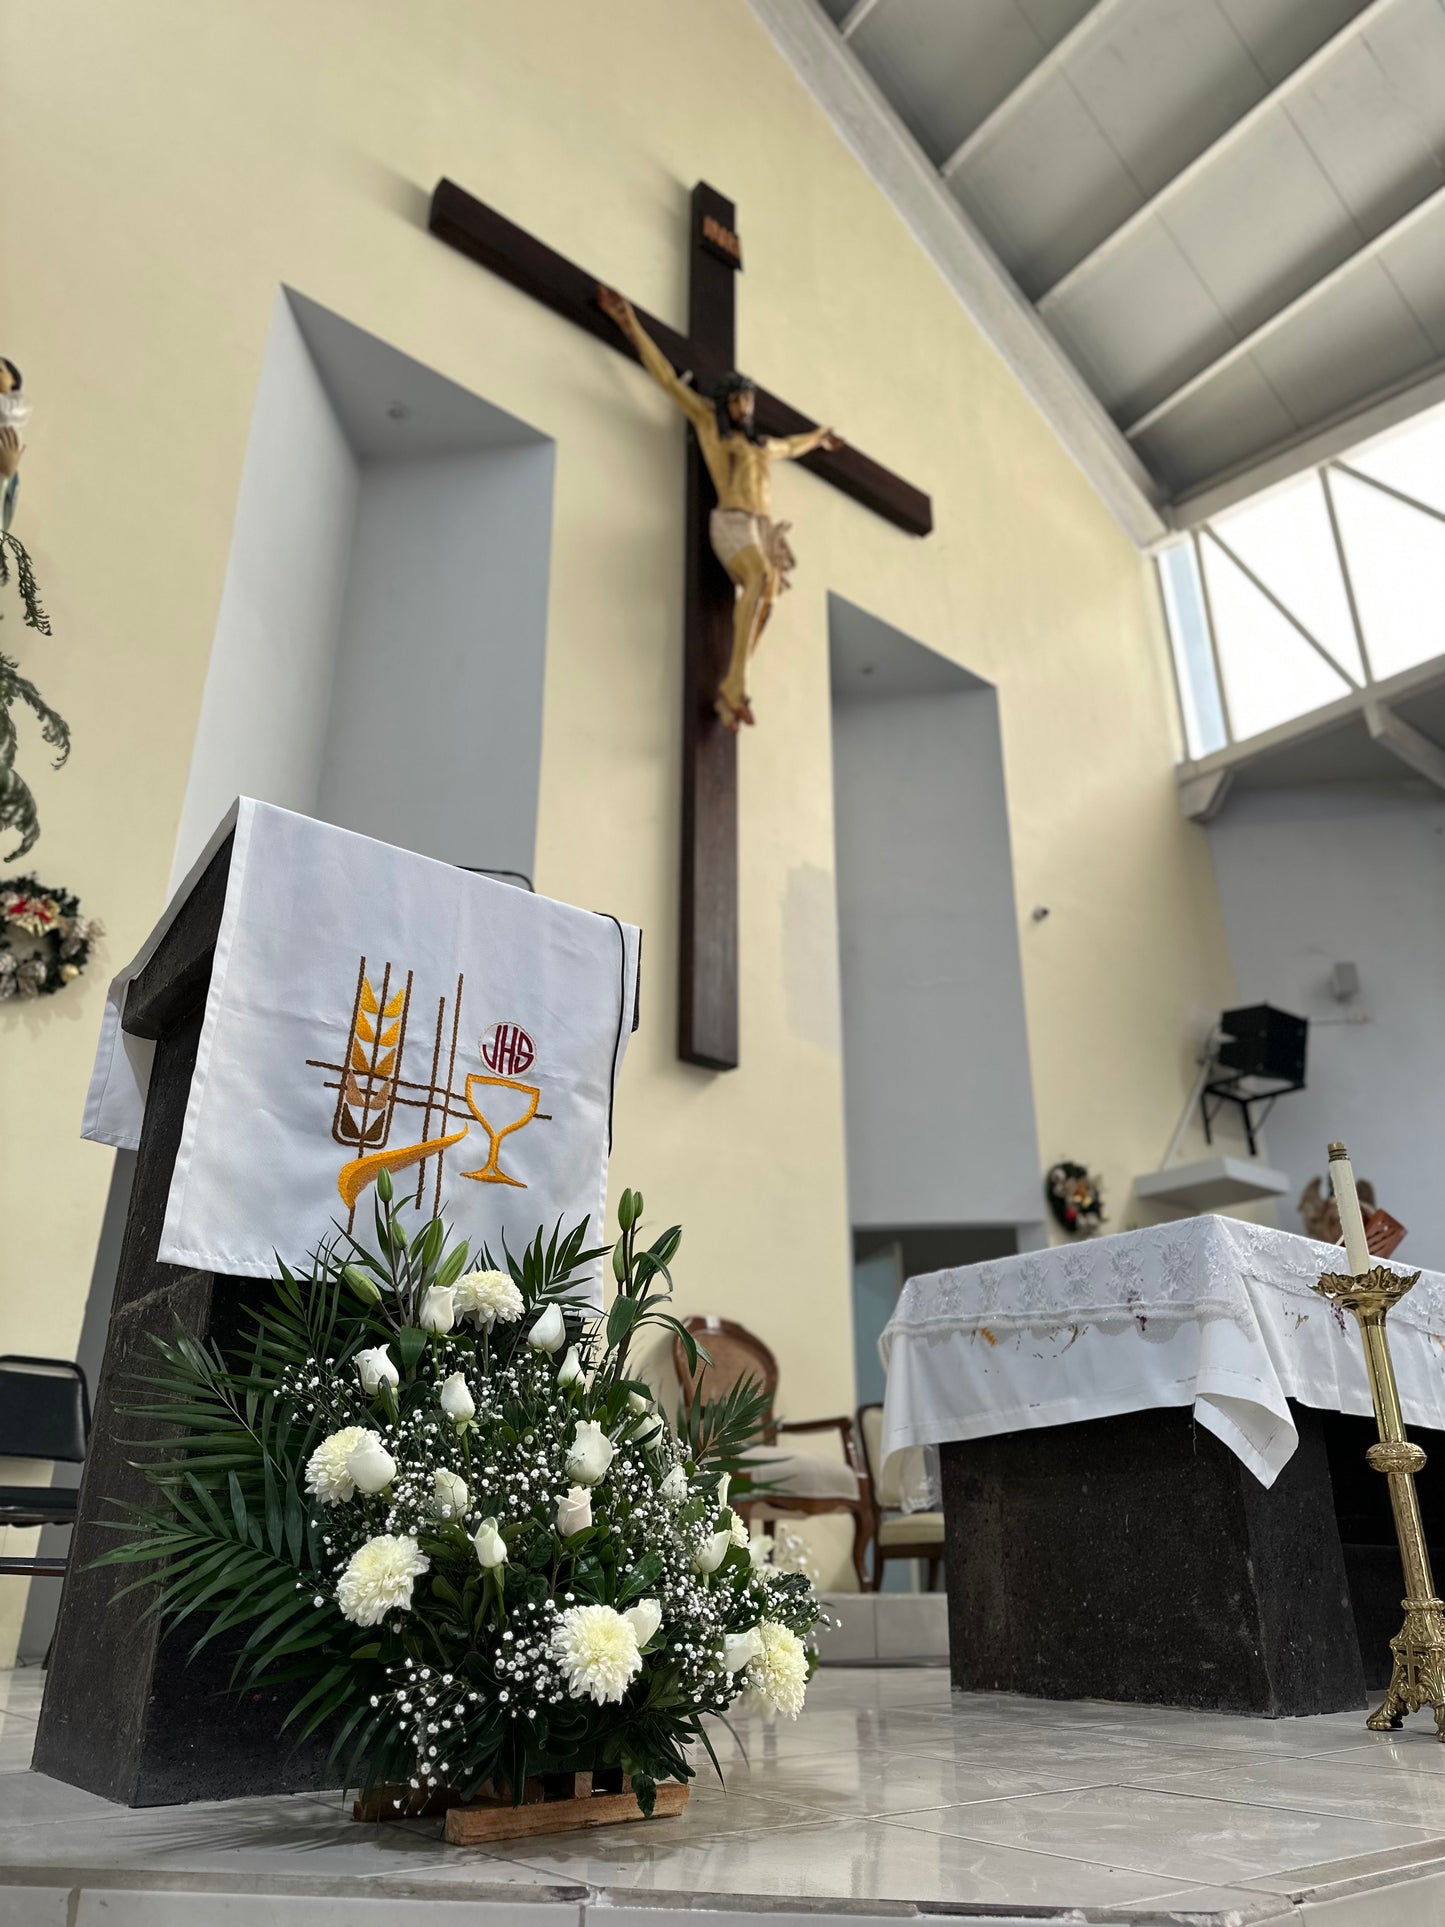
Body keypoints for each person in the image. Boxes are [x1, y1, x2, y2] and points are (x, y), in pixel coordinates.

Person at [599, 286, 841, 730]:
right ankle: (734, 686)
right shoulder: (711, 425)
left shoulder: (762, 445)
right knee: (761, 580)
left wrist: (820, 436)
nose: (745, 407)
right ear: (727, 400)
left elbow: (792, 445)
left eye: (750, 400)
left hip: (762, 529)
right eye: (739, 399)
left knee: (765, 603)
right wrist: (628, 323)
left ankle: (732, 689)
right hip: (731, 520)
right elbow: (669, 380)